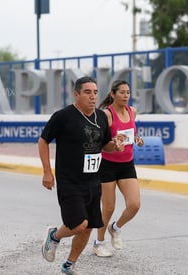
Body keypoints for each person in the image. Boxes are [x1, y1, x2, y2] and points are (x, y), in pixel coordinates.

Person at [39, 76, 125, 274]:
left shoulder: (101, 117)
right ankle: (54, 236)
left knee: (88, 228)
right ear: (76, 94)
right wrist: (47, 172)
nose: (93, 97)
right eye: (87, 92)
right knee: (79, 224)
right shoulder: (63, 116)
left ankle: (69, 264)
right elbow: (43, 141)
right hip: (70, 181)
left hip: (94, 181)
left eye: (95, 92)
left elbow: (106, 145)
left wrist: (116, 146)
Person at [91, 80, 144, 257]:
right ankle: (98, 243)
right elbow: (100, 141)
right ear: (113, 94)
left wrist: (137, 139)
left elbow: (131, 133)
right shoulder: (107, 114)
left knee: (134, 205)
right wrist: (114, 144)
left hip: (127, 164)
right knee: (108, 207)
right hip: (107, 165)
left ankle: (115, 228)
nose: (126, 95)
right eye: (122, 92)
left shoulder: (132, 112)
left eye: (128, 92)